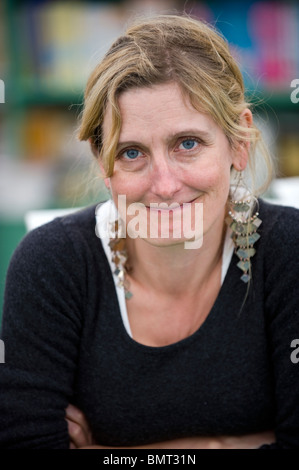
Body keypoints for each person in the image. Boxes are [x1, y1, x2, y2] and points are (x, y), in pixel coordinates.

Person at [0, 14, 298, 450]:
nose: (163, 185)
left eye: (187, 144)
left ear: (240, 144)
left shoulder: (287, 252)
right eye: (132, 152)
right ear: (103, 164)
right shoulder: (53, 263)